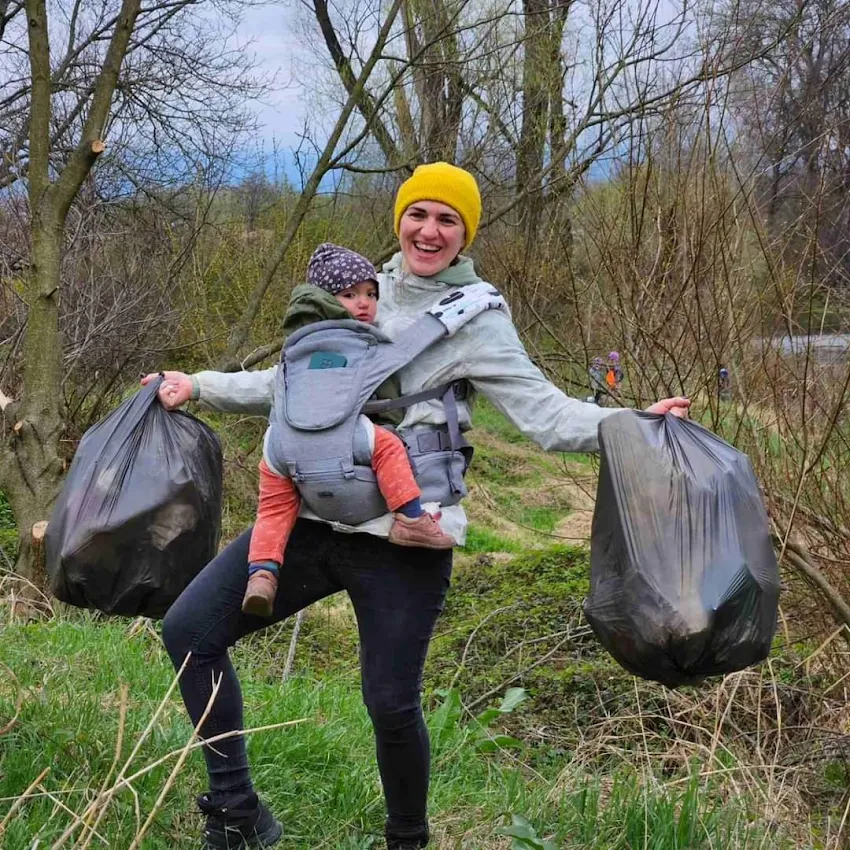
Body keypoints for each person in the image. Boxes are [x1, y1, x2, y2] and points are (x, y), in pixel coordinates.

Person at [143, 161, 689, 850]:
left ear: (465, 234)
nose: (429, 231)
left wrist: (635, 423)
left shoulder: (478, 319)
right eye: (419, 214)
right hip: (312, 517)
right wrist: (196, 385)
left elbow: (546, 417)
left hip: (408, 533)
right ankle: (236, 811)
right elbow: (286, 383)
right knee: (190, 631)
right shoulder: (356, 290)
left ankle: (408, 839)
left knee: (391, 702)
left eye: (447, 219)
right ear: (399, 218)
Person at [243, 243, 455, 618]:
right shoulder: (356, 342)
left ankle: (262, 572)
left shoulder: (298, 343)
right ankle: (411, 519)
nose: (364, 303)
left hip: (281, 443)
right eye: (350, 294)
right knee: (388, 446)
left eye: (371, 293)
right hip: (344, 439)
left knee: (273, 509)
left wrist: (196, 386)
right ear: (327, 299)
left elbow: (275, 387)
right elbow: (384, 389)